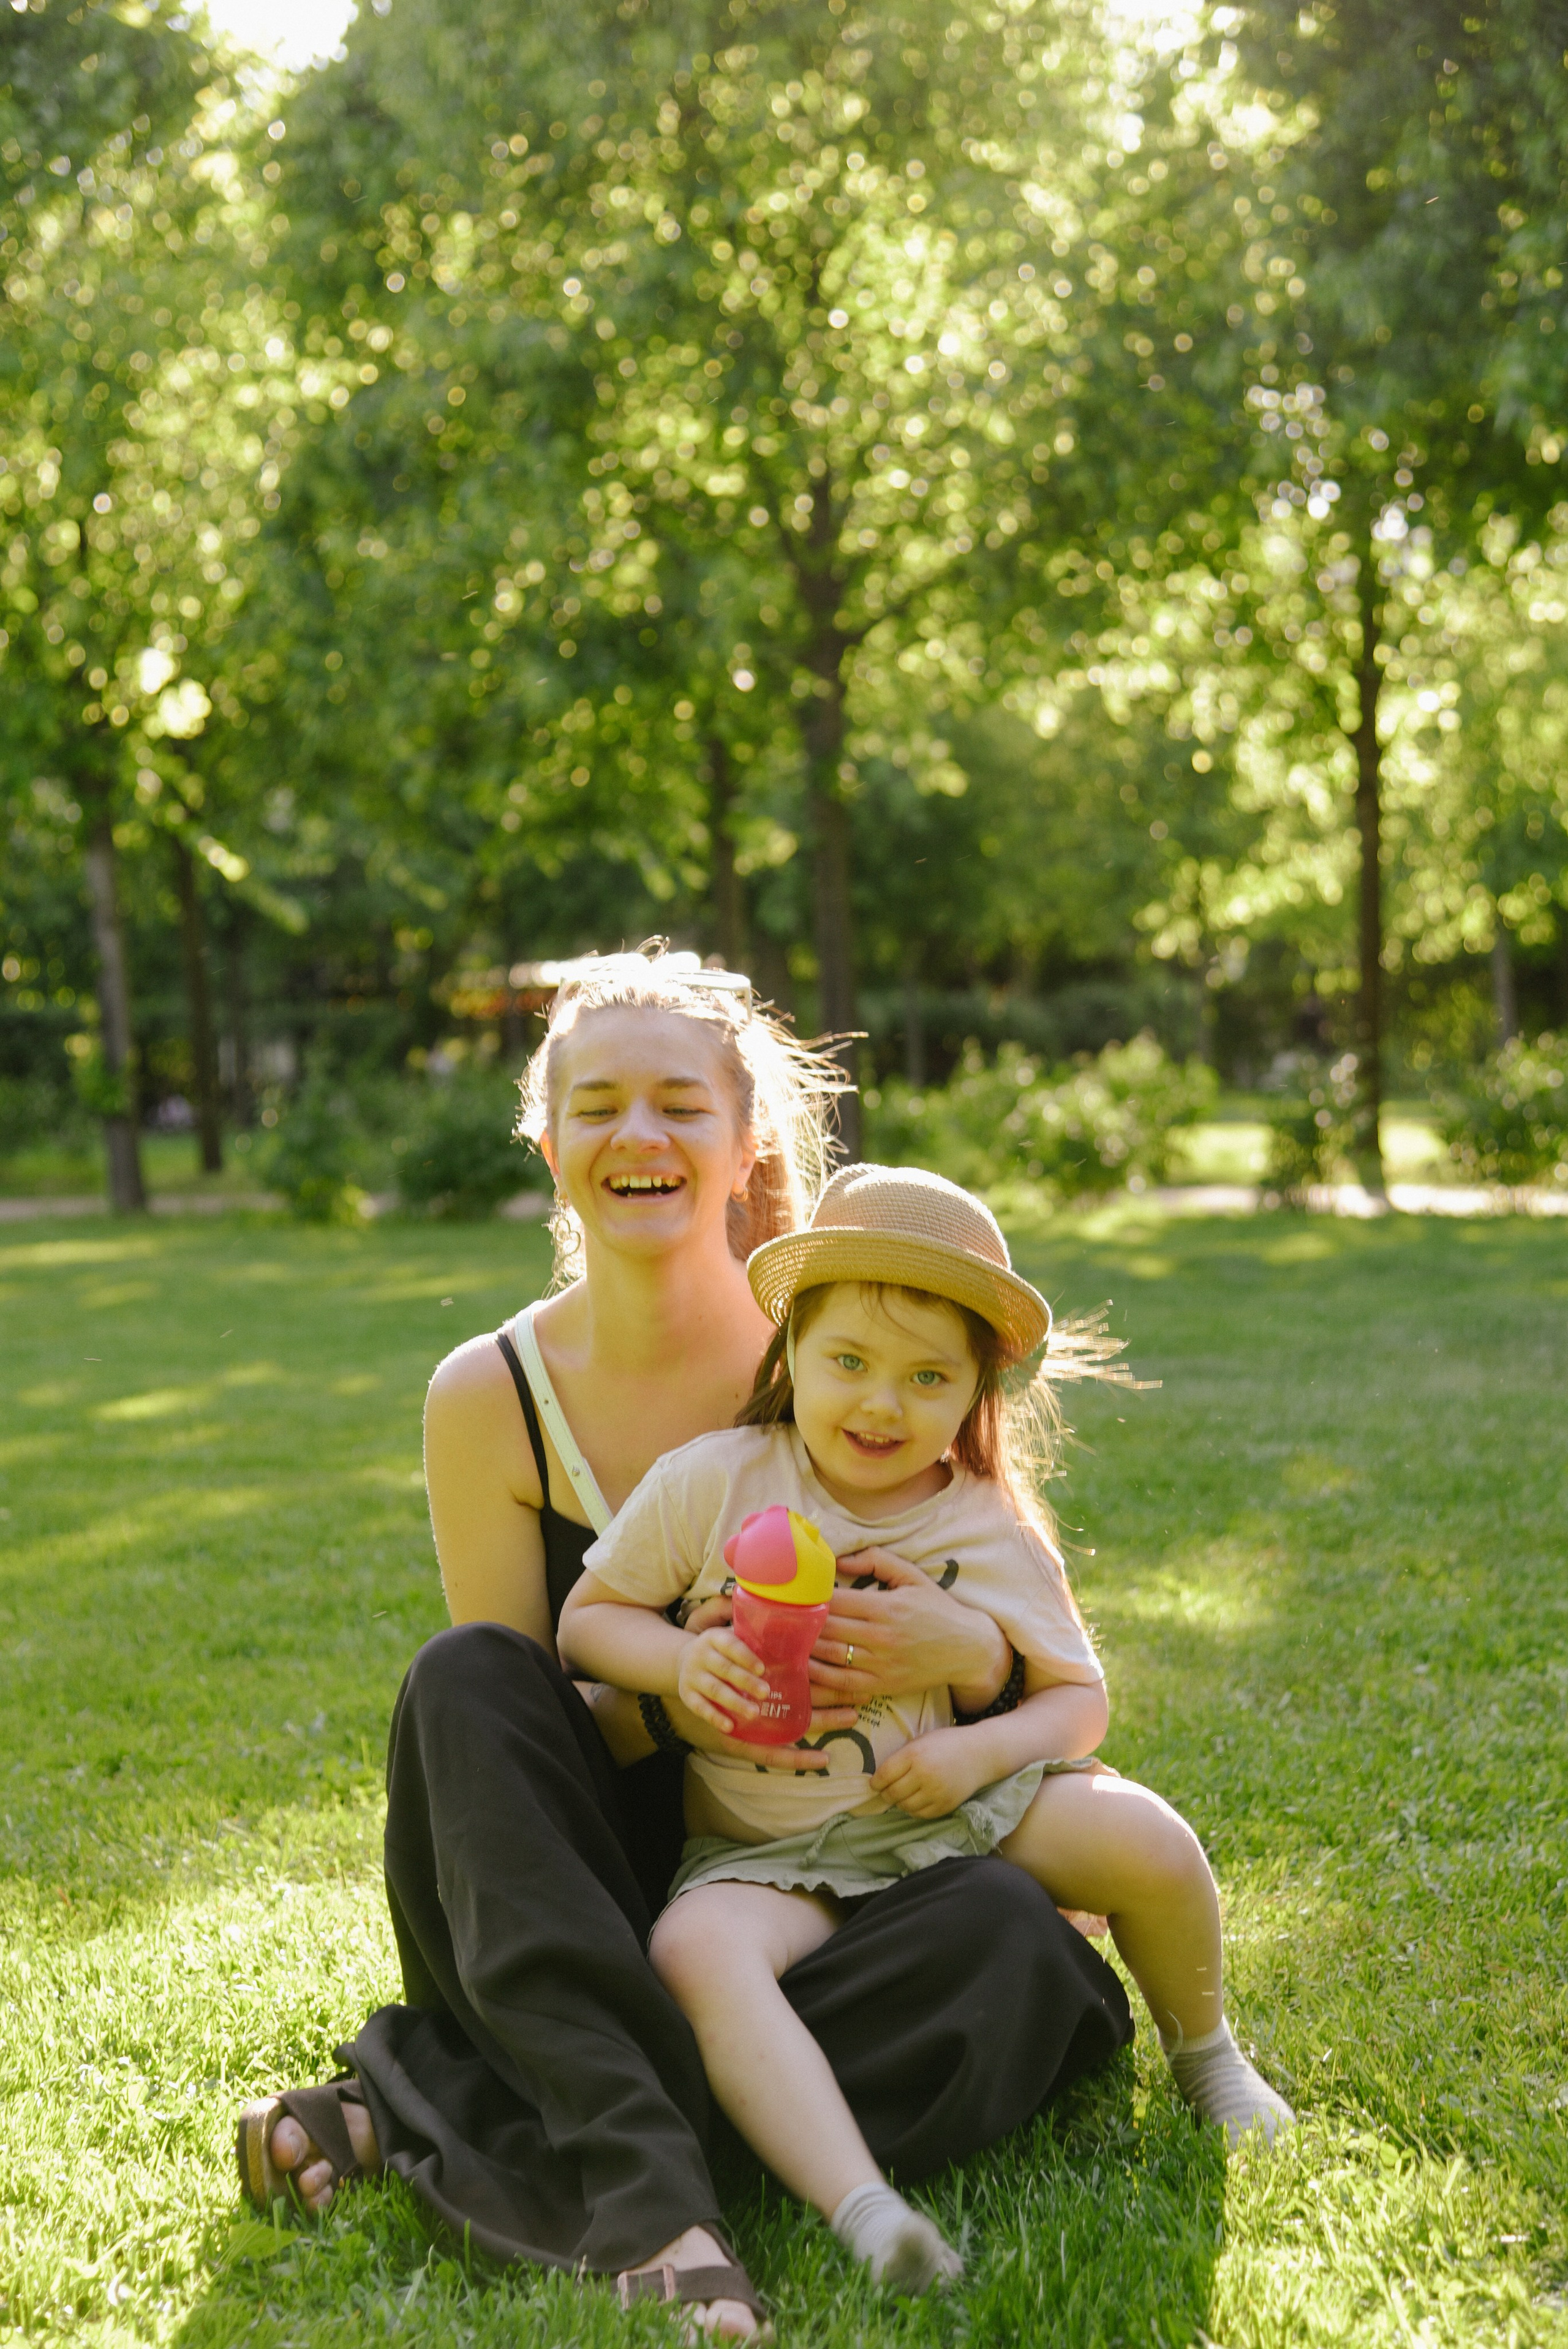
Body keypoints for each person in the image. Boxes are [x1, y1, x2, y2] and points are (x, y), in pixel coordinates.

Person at [235, 949, 1133, 2340]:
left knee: (1010, 1948)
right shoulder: (489, 1395)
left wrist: (954, 1656)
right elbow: (523, 1745)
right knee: (461, 1680)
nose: (637, 1136)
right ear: (546, 1143)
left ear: (743, 1144)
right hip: (578, 1894)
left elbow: (1026, 1651)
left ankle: (461, 2099)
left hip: (828, 1888)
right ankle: (652, 2202)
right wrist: (684, 1682)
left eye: (677, 1106)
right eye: (596, 1106)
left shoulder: (846, 1352)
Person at [558, 1163, 1296, 2290]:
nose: (880, 1405)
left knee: (1147, 1839)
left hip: (961, 1820)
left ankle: (1210, 2057)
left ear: (973, 1395)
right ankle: (861, 2207)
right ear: (792, 1345)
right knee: (692, 1952)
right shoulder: (714, 1483)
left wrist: (975, 1750)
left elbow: (1076, 1698)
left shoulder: (986, 1524)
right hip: (770, 1851)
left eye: (926, 1377)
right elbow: (585, 1620)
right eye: (848, 1362)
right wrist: (681, 1659)